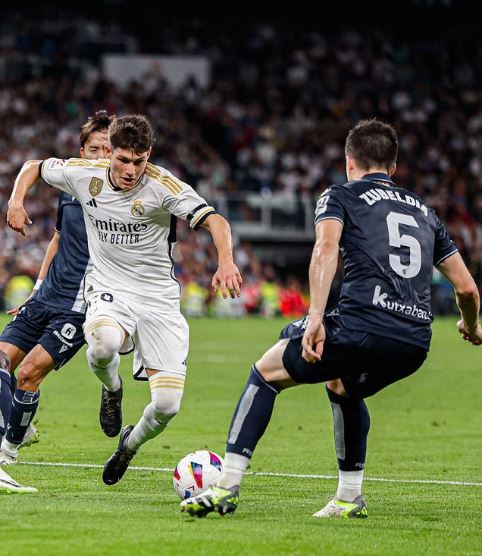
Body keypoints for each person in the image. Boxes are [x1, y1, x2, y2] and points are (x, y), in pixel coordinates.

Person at [180, 119, 482, 519]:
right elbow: (467, 290)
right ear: (393, 168)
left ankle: (226, 488)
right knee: (342, 386)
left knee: (265, 373)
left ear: (348, 162)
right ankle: (349, 498)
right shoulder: (427, 213)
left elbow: (325, 249)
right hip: (413, 342)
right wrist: (472, 325)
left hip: (361, 325)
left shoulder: (340, 195)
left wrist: (316, 317)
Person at [7, 114, 242, 486]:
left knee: (166, 406)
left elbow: (216, 221)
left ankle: (129, 444)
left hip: (158, 299)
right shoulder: (86, 175)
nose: (131, 169)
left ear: (148, 155)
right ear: (110, 152)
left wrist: (225, 261)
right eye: (123, 159)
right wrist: (16, 201)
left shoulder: (164, 186)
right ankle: (112, 390)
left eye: (140, 160)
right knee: (102, 345)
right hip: (108, 288)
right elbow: (33, 166)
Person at [0, 112, 113, 482]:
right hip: (45, 296)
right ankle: (20, 424)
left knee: (29, 374)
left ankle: (9, 450)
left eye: (108, 149)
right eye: (94, 148)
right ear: (82, 151)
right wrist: (35, 289)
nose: (101, 155)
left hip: (78, 308)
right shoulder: (72, 185)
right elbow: (59, 238)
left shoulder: (123, 198)